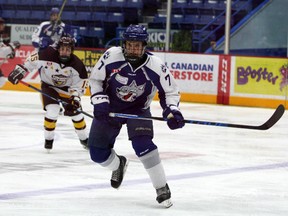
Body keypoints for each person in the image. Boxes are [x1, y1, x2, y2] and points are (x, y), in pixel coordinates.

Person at [88, 24, 185, 207]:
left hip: (138, 110)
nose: (133, 49)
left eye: (137, 45)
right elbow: (96, 80)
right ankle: (118, 165)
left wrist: (172, 110)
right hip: (110, 108)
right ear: (124, 44)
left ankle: (161, 186)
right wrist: (100, 101)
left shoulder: (156, 65)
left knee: (143, 145)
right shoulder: (111, 56)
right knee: (97, 154)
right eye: (130, 45)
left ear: (144, 45)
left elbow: (170, 92)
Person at [7, 36, 89, 151]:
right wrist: (20, 70)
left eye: (68, 49)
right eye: (62, 49)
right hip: (49, 87)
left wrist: (75, 99)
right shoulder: (47, 54)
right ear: (58, 49)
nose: (64, 52)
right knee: (52, 110)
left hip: (67, 90)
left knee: (77, 114)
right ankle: (48, 140)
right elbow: (31, 62)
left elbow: (80, 84)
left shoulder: (78, 65)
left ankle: (85, 139)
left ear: (72, 50)